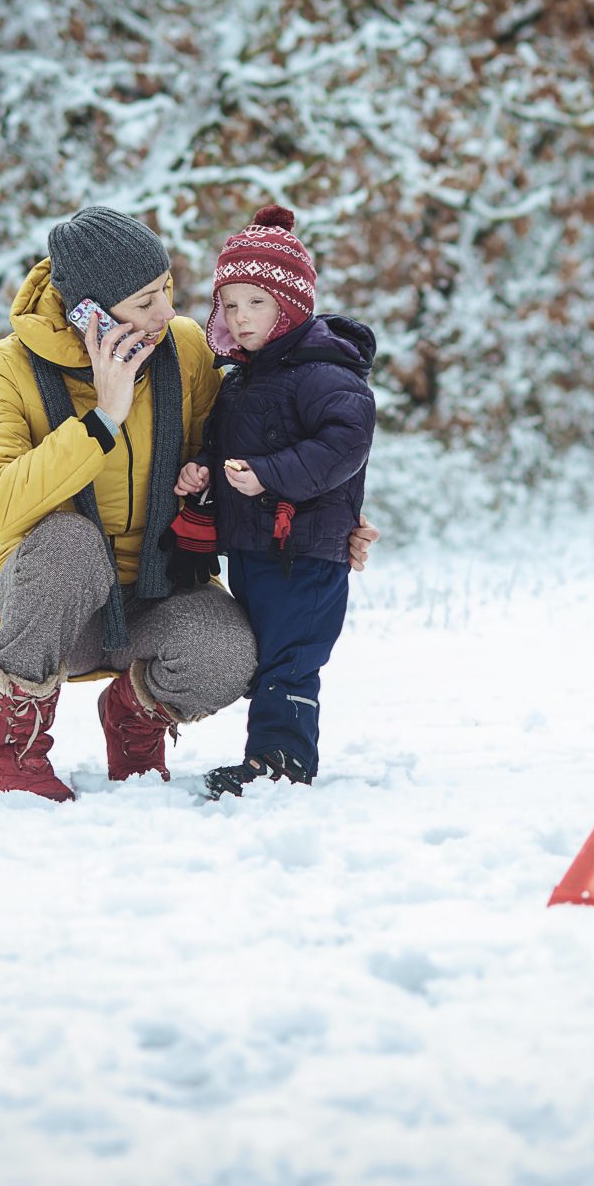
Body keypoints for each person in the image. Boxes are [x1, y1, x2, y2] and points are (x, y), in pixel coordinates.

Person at [0, 206, 375, 801]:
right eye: (144, 302)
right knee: (68, 546)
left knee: (231, 651)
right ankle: (14, 753)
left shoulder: (182, 348)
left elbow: (249, 451)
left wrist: (328, 518)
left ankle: (133, 720)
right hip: (50, 604)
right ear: (90, 313)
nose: (166, 313)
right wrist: (102, 417)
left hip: (156, 591)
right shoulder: (6, 369)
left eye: (166, 290)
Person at [174, 206, 377, 799]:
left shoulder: (322, 371)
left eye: (256, 303)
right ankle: (269, 754)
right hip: (259, 551)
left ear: (290, 304)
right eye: (230, 305)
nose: (240, 318)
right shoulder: (245, 377)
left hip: (306, 551)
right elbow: (230, 445)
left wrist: (269, 476)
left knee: (291, 658)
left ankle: (282, 760)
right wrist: (203, 470)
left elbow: (346, 442)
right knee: (265, 657)